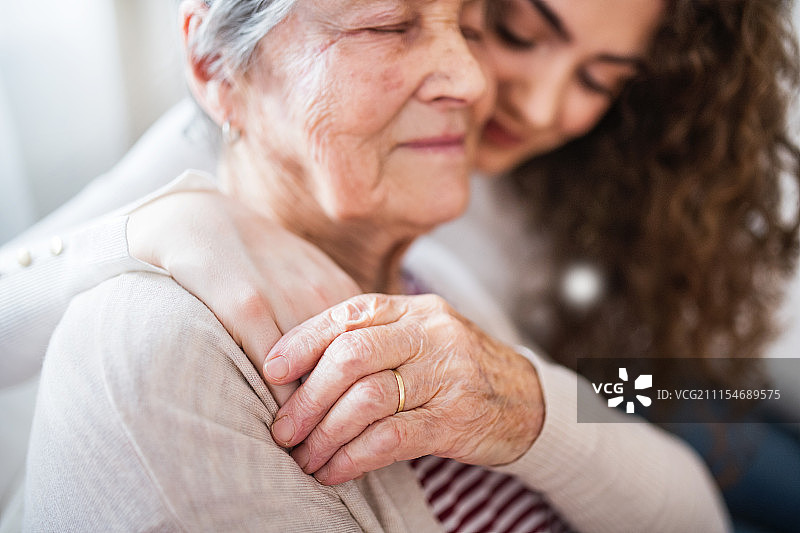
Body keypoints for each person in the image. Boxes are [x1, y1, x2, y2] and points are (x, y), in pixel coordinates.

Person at [15, 0, 733, 532]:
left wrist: (526, 397)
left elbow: (690, 507)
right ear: (212, 69)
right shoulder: (166, 341)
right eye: (389, 23)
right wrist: (164, 219)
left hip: (635, 383)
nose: (489, 86)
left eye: (476, 27)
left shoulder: (440, 269)